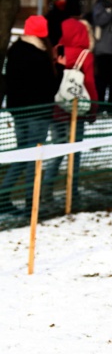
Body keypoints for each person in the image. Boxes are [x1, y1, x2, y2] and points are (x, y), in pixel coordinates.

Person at [0, 15, 59, 215]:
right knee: (34, 156)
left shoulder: (15, 50)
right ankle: (29, 203)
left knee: (23, 153)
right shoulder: (40, 55)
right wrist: (59, 67)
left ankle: (5, 195)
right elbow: (50, 87)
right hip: (38, 112)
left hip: (19, 111)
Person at [43, 18, 98, 206]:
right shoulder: (85, 55)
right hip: (76, 112)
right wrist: (93, 109)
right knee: (74, 154)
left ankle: (46, 191)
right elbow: (89, 84)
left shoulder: (56, 50)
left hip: (56, 109)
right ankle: (72, 194)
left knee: (57, 150)